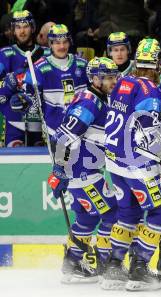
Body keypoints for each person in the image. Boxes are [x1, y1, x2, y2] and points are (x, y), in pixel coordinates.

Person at [101, 38, 161, 291]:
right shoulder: (150, 91)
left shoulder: (123, 81)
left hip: (113, 161)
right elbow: (148, 134)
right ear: (157, 64)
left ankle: (113, 267)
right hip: (137, 165)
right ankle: (140, 268)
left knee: (128, 214)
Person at [47, 57, 120, 283]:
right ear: (95, 79)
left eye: (114, 76)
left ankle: (72, 264)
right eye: (108, 77)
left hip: (86, 172)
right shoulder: (90, 102)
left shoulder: (97, 99)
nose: (113, 81)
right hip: (84, 174)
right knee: (111, 214)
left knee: (87, 217)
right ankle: (107, 265)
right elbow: (63, 137)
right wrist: (59, 168)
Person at [12, 24, 88, 147]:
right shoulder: (39, 67)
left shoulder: (83, 65)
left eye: (65, 42)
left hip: (82, 129)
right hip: (54, 131)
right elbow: (29, 100)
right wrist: (21, 101)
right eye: (57, 42)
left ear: (70, 42)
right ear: (50, 44)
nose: (62, 46)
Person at [0, 10, 50, 147]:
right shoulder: (5, 54)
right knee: (14, 154)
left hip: (41, 119)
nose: (22, 31)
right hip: (14, 119)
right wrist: (8, 84)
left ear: (33, 28)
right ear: (13, 30)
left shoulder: (46, 53)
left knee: (43, 156)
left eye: (26, 26)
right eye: (18, 27)